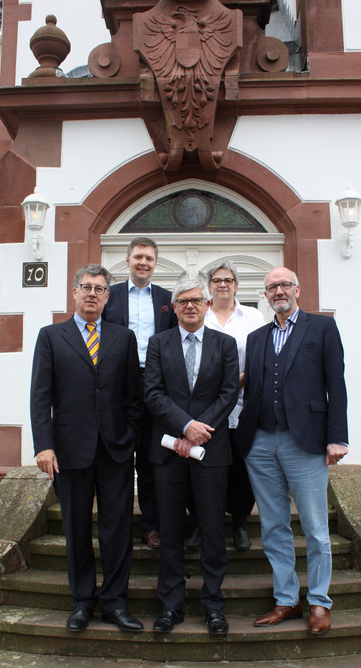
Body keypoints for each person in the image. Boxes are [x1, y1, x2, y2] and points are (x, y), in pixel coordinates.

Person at [234, 267, 348, 635]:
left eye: (284, 285)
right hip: (262, 441)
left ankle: (319, 602)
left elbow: (336, 384)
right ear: (265, 296)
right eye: (271, 287)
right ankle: (287, 599)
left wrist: (337, 437)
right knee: (273, 526)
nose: (278, 291)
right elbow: (251, 391)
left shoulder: (322, 328)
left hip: (307, 439)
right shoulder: (256, 337)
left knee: (315, 528)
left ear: (297, 289)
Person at [30, 264, 144, 634]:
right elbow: (40, 396)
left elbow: (133, 396)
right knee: (77, 529)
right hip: (68, 451)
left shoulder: (123, 338)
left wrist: (128, 437)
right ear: (75, 293)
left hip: (115, 451)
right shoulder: (51, 336)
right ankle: (82, 602)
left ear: (108, 296)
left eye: (99, 289)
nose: (92, 294)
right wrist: (44, 445)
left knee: (117, 529)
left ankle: (114, 602)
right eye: (86, 287)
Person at [144, 277, 239, 635]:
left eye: (196, 300)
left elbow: (228, 393)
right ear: (175, 306)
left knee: (213, 530)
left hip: (212, 453)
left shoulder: (226, 344)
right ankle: (171, 605)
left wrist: (199, 430)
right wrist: (185, 426)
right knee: (170, 532)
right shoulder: (158, 344)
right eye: (183, 301)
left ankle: (213, 605)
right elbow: (152, 394)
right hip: (169, 453)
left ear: (206, 304)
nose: (190, 306)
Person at [103, 237, 177, 549]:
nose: (142, 262)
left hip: (155, 382)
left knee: (150, 459)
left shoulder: (166, 298)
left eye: (148, 257)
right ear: (128, 260)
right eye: (137, 257)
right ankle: (116, 525)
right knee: (117, 456)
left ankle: (150, 525)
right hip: (118, 383)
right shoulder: (111, 295)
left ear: (155, 263)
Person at [185, 260, 265, 553]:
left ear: (236, 285)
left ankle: (240, 523)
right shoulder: (199, 315)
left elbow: (262, 359)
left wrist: (234, 384)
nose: (222, 284)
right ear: (209, 286)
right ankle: (199, 524)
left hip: (243, 406)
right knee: (201, 467)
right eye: (216, 279)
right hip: (204, 410)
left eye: (228, 280)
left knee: (241, 469)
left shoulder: (253, 317)